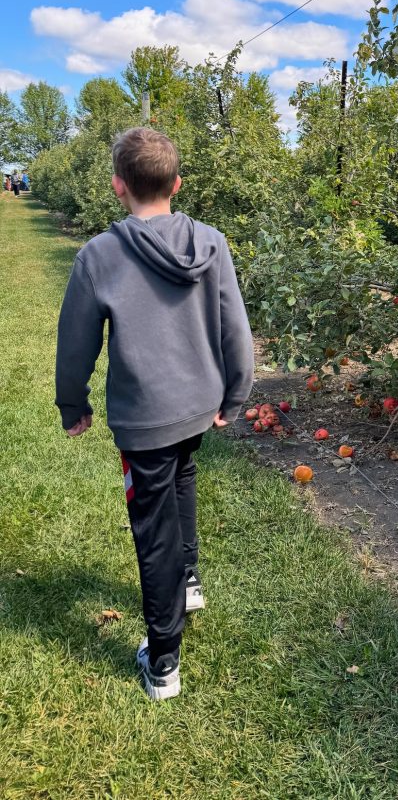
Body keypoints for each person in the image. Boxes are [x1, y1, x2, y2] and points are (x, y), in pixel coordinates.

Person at [55, 127, 254, 700]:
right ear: (177, 184)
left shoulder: (101, 255)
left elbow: (75, 343)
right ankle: (186, 583)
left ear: (119, 185)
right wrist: (234, 395)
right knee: (183, 478)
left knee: (153, 530)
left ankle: (163, 661)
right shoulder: (210, 242)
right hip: (197, 406)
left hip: (145, 420)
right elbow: (233, 327)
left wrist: (74, 402)